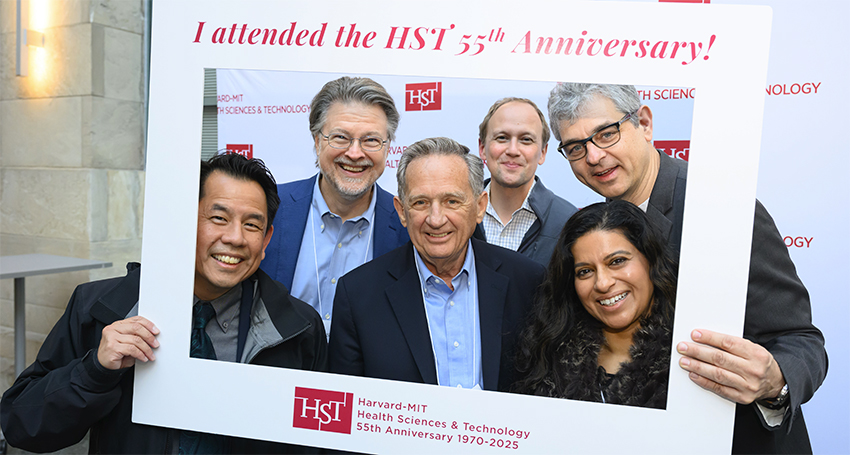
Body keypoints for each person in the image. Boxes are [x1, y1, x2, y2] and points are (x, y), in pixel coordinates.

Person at [548, 82, 826, 453]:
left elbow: (802, 341)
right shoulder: (590, 226)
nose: (594, 156)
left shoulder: (723, 207)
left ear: (644, 123)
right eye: (576, 147)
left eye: (606, 133)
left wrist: (774, 382)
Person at [1, 154, 327, 454]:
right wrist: (94, 371)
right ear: (184, 221)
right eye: (218, 217)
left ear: (266, 239)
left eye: (252, 225)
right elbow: (21, 425)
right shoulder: (101, 308)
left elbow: (315, 439)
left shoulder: (297, 328)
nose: (236, 238)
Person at [328, 137, 544, 391]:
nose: (436, 219)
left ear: (479, 207)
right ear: (401, 211)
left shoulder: (528, 282)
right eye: (420, 203)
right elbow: (344, 406)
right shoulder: (358, 295)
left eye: (452, 201)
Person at [261, 76, 409, 338]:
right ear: (317, 141)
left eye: (371, 140)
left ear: (387, 148)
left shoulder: (407, 225)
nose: (354, 153)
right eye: (341, 137)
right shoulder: (269, 207)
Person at [514, 200, 677, 409]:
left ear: (651, 260)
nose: (602, 283)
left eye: (617, 261)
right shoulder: (547, 359)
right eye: (585, 271)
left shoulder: (690, 358)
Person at [474, 97, 577, 266]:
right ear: (482, 148)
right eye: (502, 138)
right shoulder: (457, 213)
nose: (513, 150)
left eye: (526, 140)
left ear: (543, 152)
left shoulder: (569, 222)